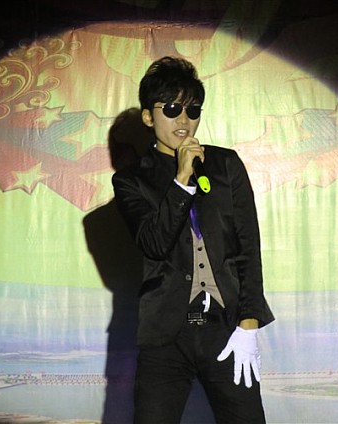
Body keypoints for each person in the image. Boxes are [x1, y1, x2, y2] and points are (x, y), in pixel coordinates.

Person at [112, 56, 275, 423]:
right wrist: (182, 181)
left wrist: (249, 323)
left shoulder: (226, 165)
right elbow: (154, 243)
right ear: (148, 117)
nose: (183, 120)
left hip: (226, 329)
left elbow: (248, 248)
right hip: (165, 337)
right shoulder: (130, 181)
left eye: (193, 109)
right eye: (171, 109)